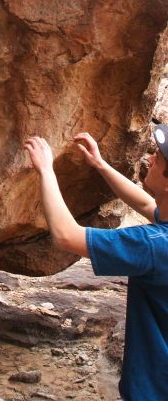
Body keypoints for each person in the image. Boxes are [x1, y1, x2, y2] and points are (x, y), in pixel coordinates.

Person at [24, 125, 168, 401]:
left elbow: (67, 236)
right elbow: (147, 205)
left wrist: (46, 170)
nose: (150, 158)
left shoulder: (153, 246)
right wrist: (100, 165)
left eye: (158, 159)